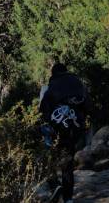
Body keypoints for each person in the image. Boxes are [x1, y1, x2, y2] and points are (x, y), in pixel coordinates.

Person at [39, 63, 92, 203]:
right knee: (67, 163)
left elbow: (44, 108)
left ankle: (55, 186)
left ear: (53, 73)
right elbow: (88, 106)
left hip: (56, 129)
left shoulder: (52, 85)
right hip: (74, 129)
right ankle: (68, 198)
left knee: (49, 159)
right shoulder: (78, 83)